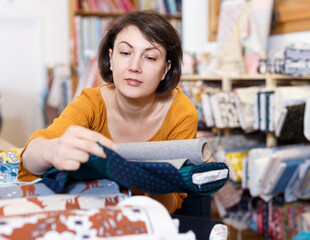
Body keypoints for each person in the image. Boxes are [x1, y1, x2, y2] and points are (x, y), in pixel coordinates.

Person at [18, 10, 198, 214]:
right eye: (125, 53)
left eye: (149, 57)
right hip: (96, 212)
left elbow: (170, 205)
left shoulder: (181, 113)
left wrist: (158, 182)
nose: (134, 66)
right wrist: (51, 150)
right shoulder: (92, 103)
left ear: (165, 69)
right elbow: (29, 158)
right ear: (111, 59)